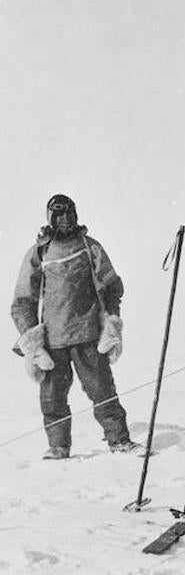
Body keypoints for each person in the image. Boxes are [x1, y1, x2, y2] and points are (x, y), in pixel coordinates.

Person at [11, 194, 137, 459]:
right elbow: (23, 301)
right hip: (52, 342)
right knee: (52, 398)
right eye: (59, 215)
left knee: (102, 390)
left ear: (75, 215)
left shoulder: (89, 247)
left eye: (69, 214)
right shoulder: (39, 253)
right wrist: (31, 338)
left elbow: (112, 286)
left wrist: (111, 323)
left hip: (88, 334)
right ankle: (58, 447)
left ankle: (119, 440)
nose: (65, 220)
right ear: (50, 218)